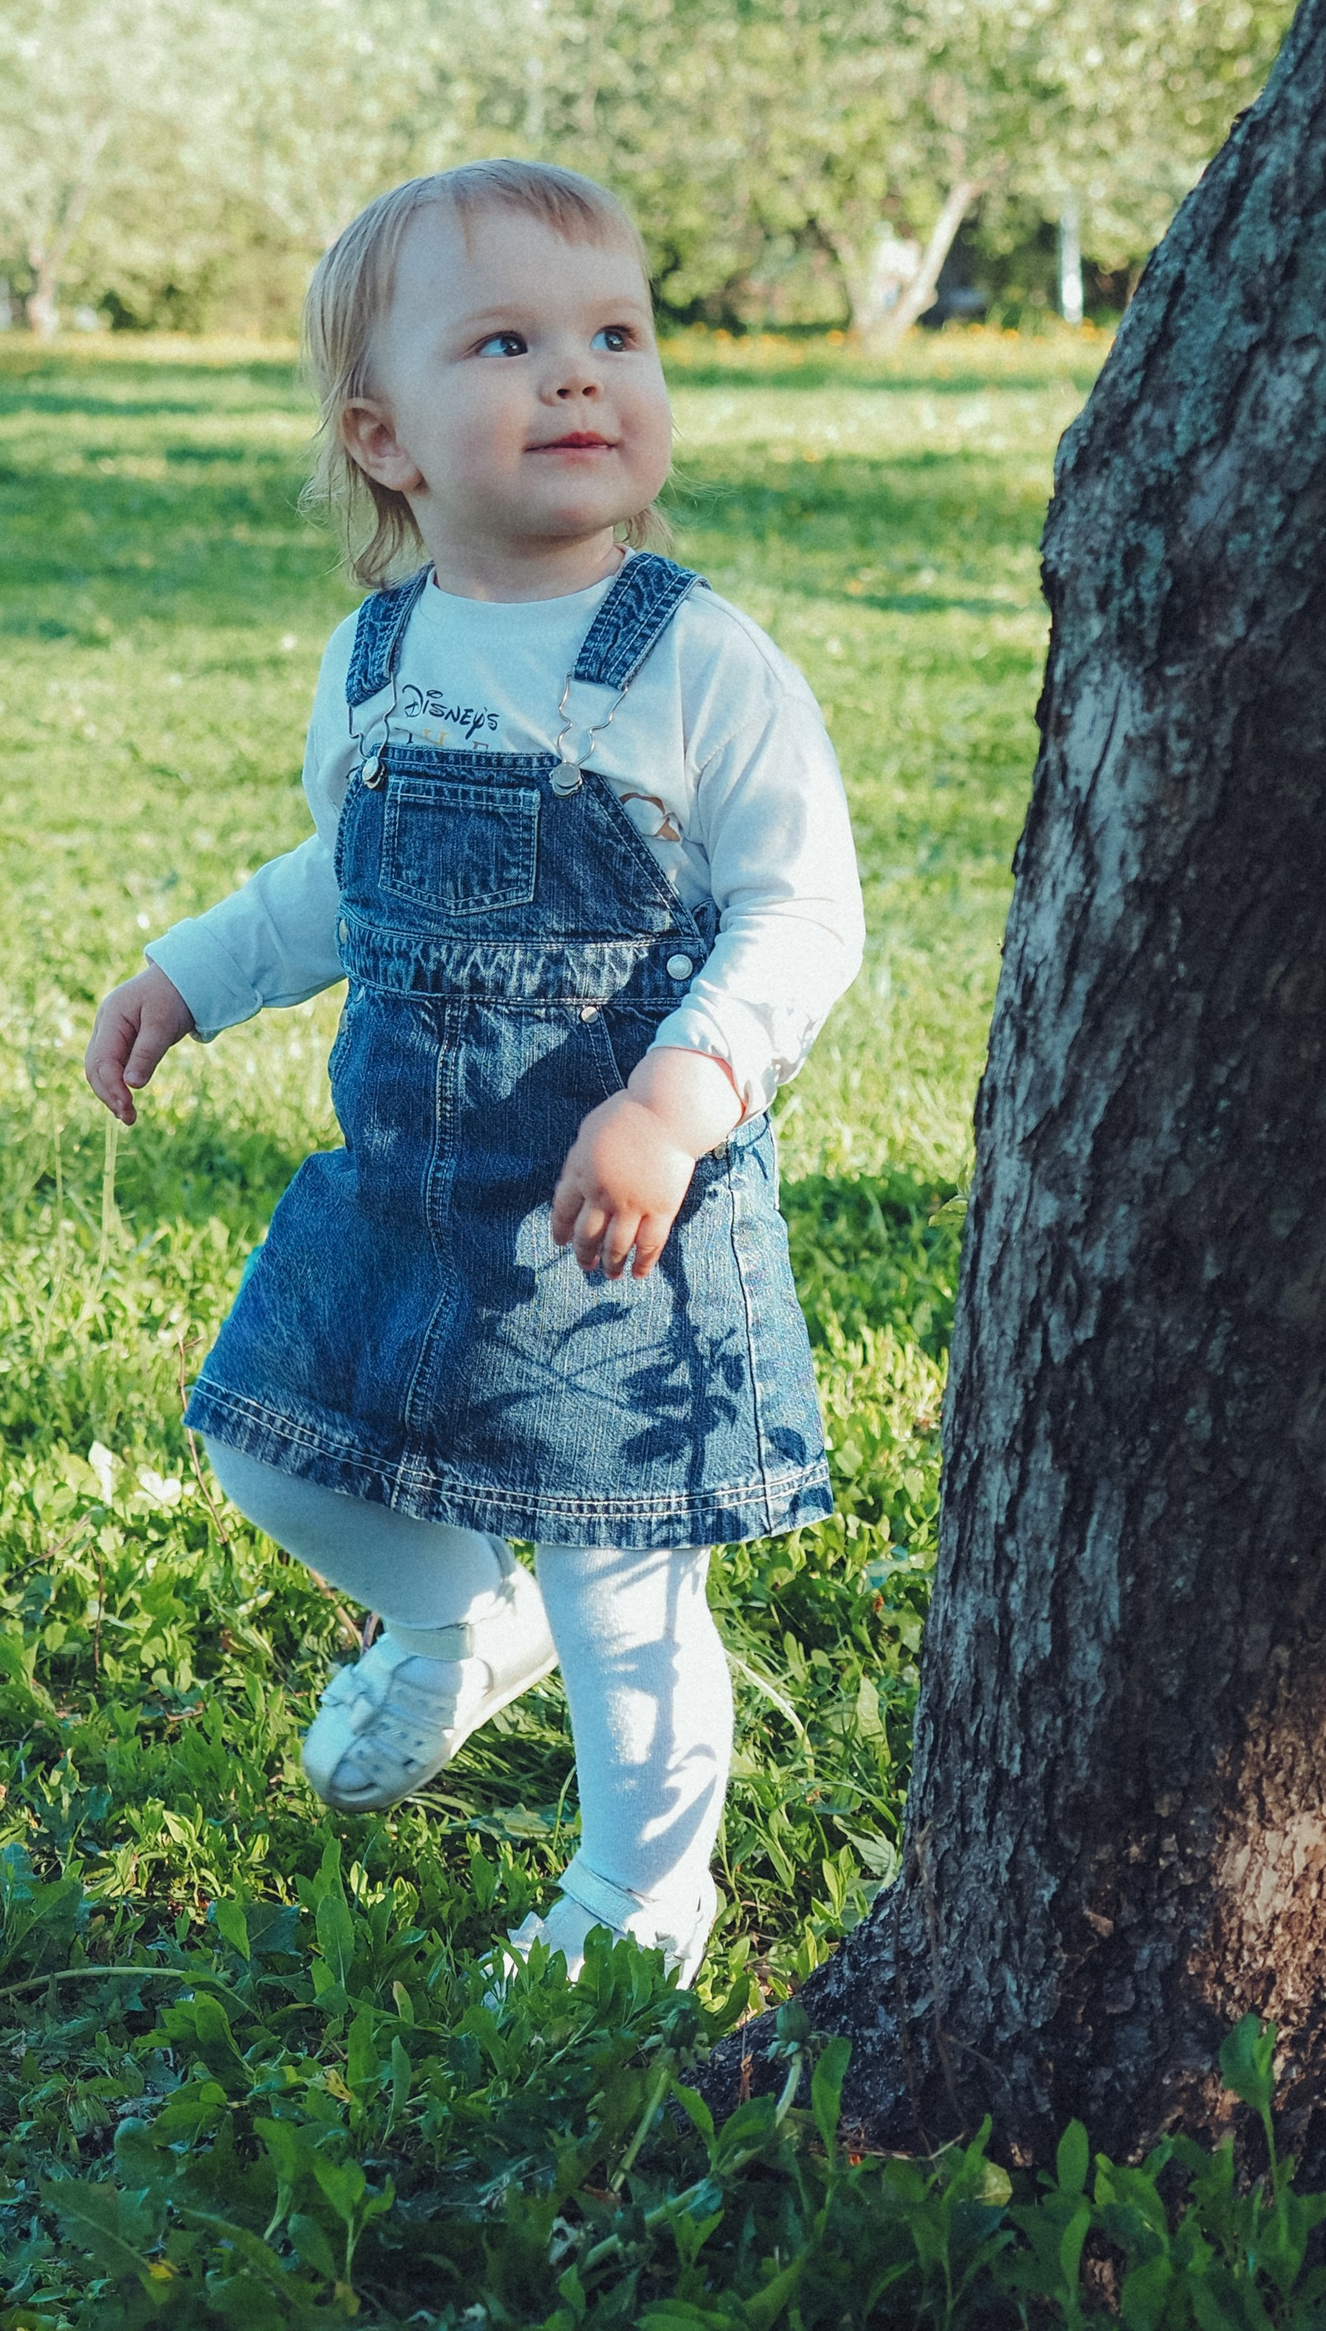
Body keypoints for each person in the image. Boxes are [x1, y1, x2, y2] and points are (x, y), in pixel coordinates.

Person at [84, 158, 863, 1983]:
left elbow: (802, 914)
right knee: (270, 1436)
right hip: (411, 1189)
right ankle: (450, 1626)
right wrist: (195, 973)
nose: (581, 376)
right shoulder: (375, 658)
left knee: (621, 1573)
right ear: (385, 439)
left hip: (616, 1215)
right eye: (508, 341)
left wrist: (677, 1097)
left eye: (618, 334)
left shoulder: (701, 666)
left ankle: (636, 1900)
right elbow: (341, 885)